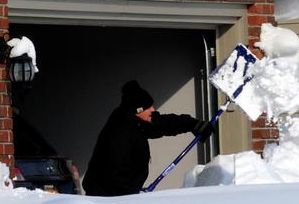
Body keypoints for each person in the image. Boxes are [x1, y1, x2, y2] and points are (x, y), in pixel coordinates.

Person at [82, 80, 214, 197]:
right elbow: (114, 178)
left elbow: (163, 124)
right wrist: (131, 197)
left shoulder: (135, 122)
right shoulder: (120, 134)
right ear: (138, 110)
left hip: (123, 196)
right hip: (106, 200)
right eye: (149, 107)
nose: (153, 109)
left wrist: (193, 124)